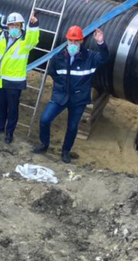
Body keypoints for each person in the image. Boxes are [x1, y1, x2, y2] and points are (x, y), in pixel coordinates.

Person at [33, 25, 107, 163]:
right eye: (71, 41)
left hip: (78, 99)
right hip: (60, 96)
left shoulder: (89, 57)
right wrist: (60, 87)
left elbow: (104, 59)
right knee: (45, 120)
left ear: (81, 41)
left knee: (72, 127)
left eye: (76, 41)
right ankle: (44, 144)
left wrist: (101, 43)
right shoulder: (58, 57)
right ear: (67, 40)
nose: (73, 44)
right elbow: (53, 73)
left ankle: (66, 151)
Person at [0, 5, 40, 143]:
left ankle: (9, 132)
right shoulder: (1, 36)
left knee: (12, 108)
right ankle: (0, 127)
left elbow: (33, 38)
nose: (13, 28)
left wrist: (34, 24)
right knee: (0, 105)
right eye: (11, 25)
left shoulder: (25, 42)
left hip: (14, 81)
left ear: (21, 26)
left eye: (16, 25)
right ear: (7, 26)